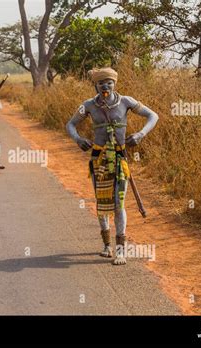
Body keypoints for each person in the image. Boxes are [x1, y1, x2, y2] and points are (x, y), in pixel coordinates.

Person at [66, 67, 158, 265]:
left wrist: (140, 134)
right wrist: (78, 139)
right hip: (99, 158)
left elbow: (153, 116)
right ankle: (107, 245)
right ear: (95, 85)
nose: (105, 86)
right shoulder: (88, 105)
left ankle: (120, 250)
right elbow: (70, 124)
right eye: (101, 83)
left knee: (119, 203)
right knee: (102, 201)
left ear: (115, 83)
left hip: (119, 158)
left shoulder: (126, 101)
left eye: (109, 82)